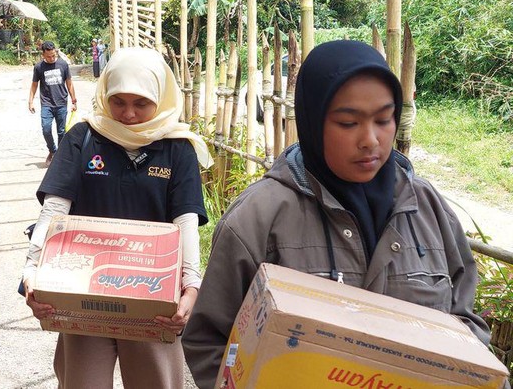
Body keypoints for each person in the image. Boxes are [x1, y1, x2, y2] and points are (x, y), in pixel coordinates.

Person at [182, 40, 492, 389]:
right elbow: (209, 342)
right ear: (313, 122)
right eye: (348, 123)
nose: (371, 140)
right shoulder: (258, 218)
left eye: (384, 119)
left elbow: (465, 327)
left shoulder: (428, 208)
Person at [23, 47, 214, 388]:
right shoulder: (83, 137)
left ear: (161, 97)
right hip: (84, 291)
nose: (127, 114)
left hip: (153, 294)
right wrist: (32, 267)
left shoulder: (177, 148)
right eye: (118, 101)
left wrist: (191, 285)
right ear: (105, 94)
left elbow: (185, 220)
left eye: (141, 104)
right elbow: (54, 208)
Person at [28, 41, 77, 166]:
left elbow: (69, 83)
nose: (52, 58)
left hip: (61, 103)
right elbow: (34, 85)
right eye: (49, 56)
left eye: (53, 55)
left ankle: (59, 155)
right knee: (46, 129)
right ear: (43, 55)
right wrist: (30, 101)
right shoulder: (39, 67)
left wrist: (74, 101)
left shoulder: (63, 64)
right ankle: (52, 150)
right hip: (47, 104)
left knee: (61, 131)